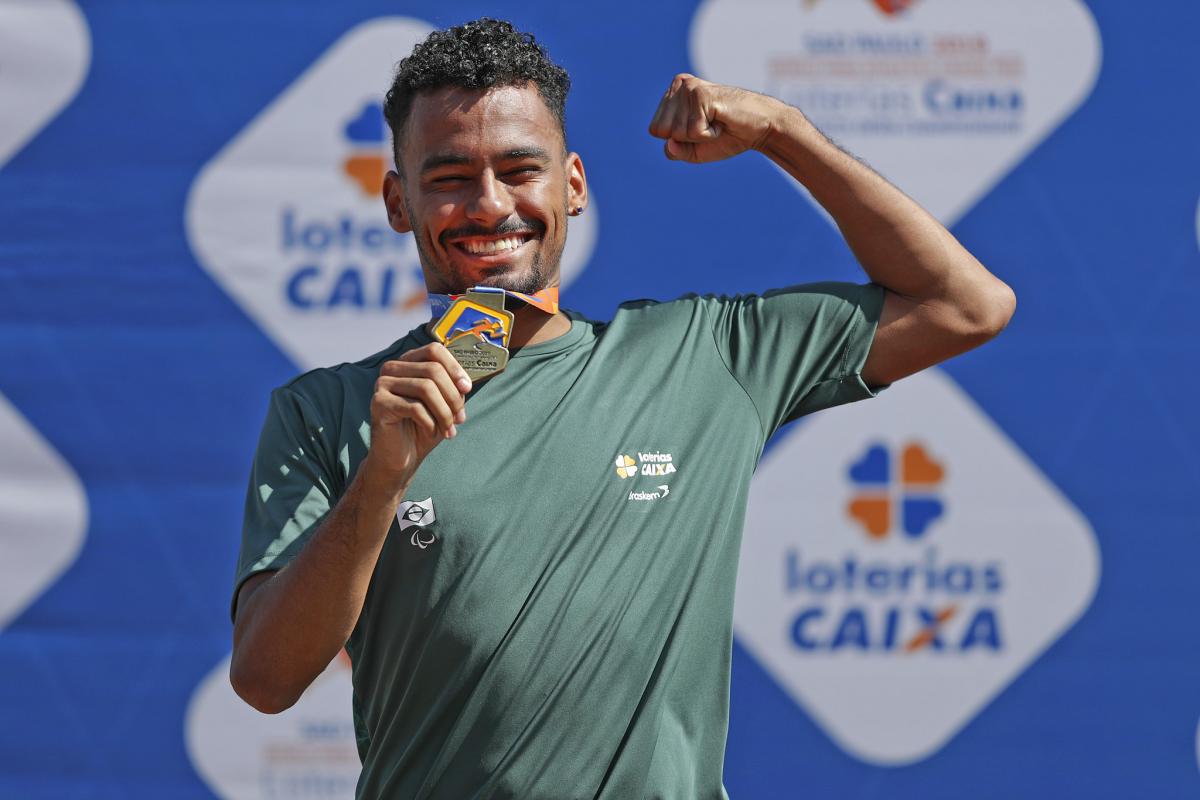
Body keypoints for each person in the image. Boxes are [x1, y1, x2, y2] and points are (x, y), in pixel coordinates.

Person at [229, 17, 1015, 799]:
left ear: (572, 184)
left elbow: (967, 305)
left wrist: (784, 130)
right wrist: (380, 482)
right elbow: (266, 681)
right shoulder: (331, 410)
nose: (489, 204)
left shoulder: (707, 357)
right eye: (449, 178)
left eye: (519, 168)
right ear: (398, 202)